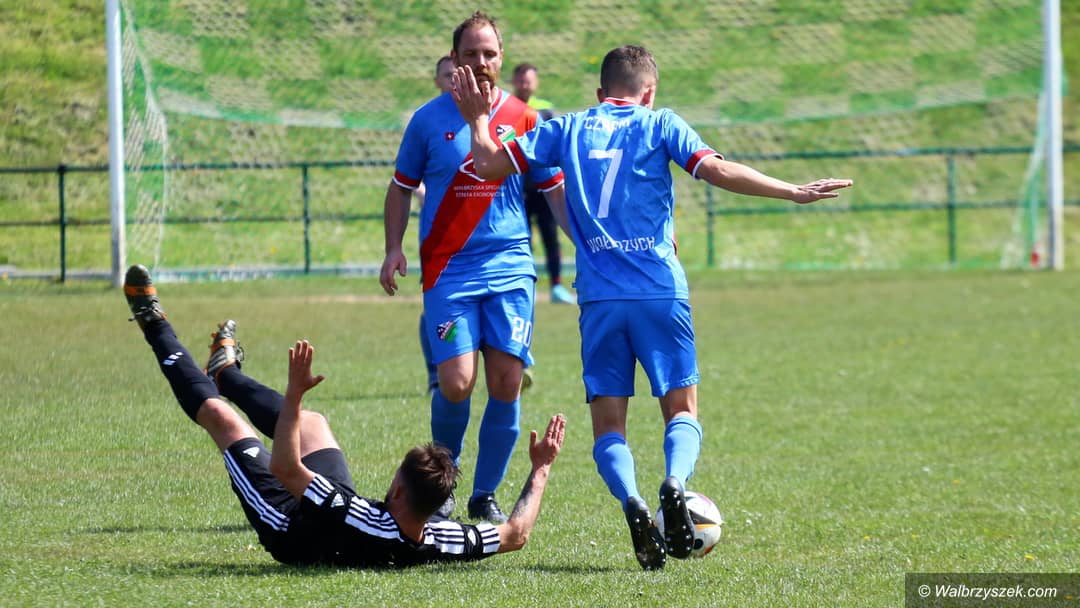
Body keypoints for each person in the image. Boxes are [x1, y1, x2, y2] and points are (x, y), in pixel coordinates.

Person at [450, 45, 853, 570]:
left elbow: (485, 164)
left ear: (600, 92)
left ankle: (632, 500)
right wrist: (793, 191)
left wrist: (478, 119)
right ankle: (675, 482)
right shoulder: (661, 123)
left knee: (609, 425)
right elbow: (716, 170)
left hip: (600, 298)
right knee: (681, 411)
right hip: (660, 291)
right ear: (650, 92)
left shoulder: (565, 128)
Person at [122, 264, 566, 568]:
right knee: (313, 425)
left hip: (289, 525)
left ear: (396, 490)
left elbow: (285, 468)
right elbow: (515, 534)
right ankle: (226, 374)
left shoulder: (356, 514)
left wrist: (294, 395)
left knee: (223, 419)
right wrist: (541, 467)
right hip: (330, 516)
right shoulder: (441, 537)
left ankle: (153, 323)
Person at [379, 11, 566, 524]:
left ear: (501, 58)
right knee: (457, 382)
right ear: (454, 59)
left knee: (506, 381)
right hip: (449, 270)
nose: (481, 62)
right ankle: (443, 486)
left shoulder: (524, 118)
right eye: (470, 53)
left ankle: (484, 495)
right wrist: (393, 248)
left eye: (489, 53)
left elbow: (555, 193)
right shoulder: (428, 120)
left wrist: (592, 249)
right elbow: (400, 187)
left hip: (510, 266)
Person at [510, 63, 575, 305]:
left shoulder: (545, 111)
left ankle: (556, 286)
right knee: (521, 239)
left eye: (529, 80)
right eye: (521, 80)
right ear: (513, 81)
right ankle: (525, 285)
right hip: (517, 188)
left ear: (535, 82)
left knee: (551, 236)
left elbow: (557, 145)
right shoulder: (507, 109)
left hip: (544, 187)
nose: (525, 84)